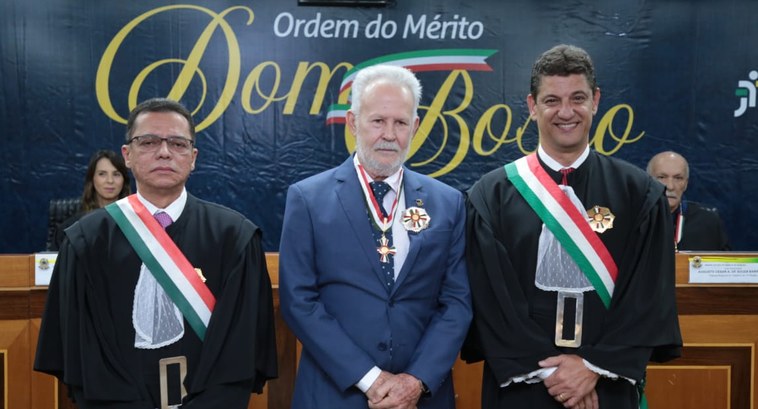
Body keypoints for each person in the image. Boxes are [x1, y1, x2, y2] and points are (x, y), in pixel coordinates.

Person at [463, 45, 682, 409]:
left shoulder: (640, 194)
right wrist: (556, 374)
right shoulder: (491, 196)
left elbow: (647, 295)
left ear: (595, 101)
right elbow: (491, 300)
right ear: (532, 106)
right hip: (523, 389)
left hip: (605, 387)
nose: (566, 112)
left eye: (578, 98)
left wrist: (591, 367)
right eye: (552, 100)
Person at [35, 98, 277, 408]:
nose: (164, 151)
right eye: (148, 141)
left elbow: (241, 350)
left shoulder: (235, 238)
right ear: (128, 155)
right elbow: (82, 353)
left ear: (193, 158)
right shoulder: (87, 241)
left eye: (177, 143)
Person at [279, 64, 472, 409]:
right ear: (353, 123)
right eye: (377, 121)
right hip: (335, 395)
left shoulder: (449, 203)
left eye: (400, 123)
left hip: (422, 397)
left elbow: (456, 303)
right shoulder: (308, 199)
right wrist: (372, 379)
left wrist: (415, 381)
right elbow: (299, 301)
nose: (389, 134)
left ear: (414, 127)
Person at [647, 151, 731, 251]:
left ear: (685, 184)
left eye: (678, 178)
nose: (670, 186)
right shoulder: (631, 219)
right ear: (648, 181)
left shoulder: (707, 221)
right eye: (662, 177)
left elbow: (725, 263)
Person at [50, 149, 132, 251]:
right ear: (92, 179)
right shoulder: (72, 226)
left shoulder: (135, 224)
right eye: (102, 174)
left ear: (124, 181)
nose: (110, 181)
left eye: (116, 174)